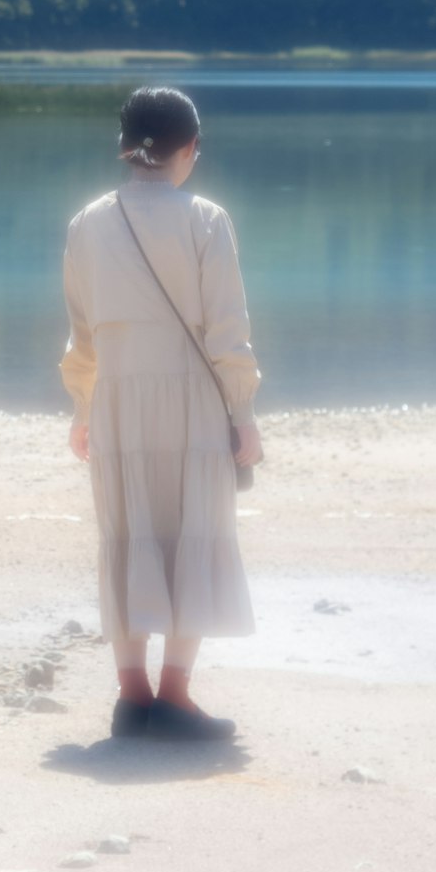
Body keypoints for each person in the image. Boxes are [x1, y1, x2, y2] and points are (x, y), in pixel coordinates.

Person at [61, 86, 263, 741]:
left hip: (117, 399)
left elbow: (82, 333)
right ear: (190, 148)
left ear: (126, 146)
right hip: (192, 400)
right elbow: (227, 330)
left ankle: (131, 697)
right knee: (193, 533)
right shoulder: (206, 220)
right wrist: (243, 411)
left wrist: (82, 406)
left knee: (127, 535)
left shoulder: (87, 222)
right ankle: (175, 695)